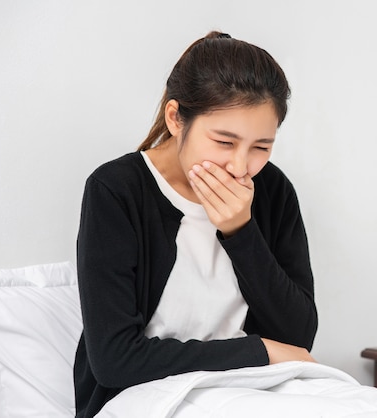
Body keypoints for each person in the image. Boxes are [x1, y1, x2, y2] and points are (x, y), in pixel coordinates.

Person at [73, 31, 318, 418]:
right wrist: (261, 351)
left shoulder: (273, 190)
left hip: (256, 390)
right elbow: (114, 360)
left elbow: (298, 335)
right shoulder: (117, 190)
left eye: (262, 147)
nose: (241, 167)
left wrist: (241, 232)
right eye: (224, 141)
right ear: (175, 118)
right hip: (145, 396)